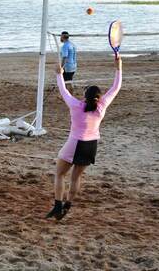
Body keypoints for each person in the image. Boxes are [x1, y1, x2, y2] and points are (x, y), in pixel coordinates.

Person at [46, 55, 122, 220]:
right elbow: (116, 88)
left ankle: (58, 206)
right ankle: (68, 205)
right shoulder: (101, 107)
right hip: (91, 146)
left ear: (85, 96)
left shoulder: (75, 105)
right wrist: (118, 68)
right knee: (76, 177)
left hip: (75, 143)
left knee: (59, 174)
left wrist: (59, 74)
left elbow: (63, 91)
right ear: (99, 98)